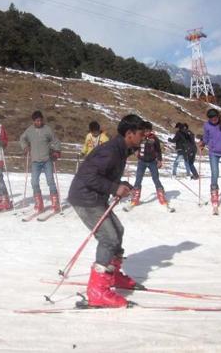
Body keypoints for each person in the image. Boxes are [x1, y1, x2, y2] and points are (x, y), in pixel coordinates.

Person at [68, 114, 149, 308]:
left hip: (95, 196)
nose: (143, 138)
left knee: (117, 231)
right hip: (85, 198)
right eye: (140, 134)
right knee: (109, 238)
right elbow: (88, 176)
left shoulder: (121, 149)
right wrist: (114, 188)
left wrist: (118, 184)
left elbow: (102, 174)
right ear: (129, 134)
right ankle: (97, 291)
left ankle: (112, 276)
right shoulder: (112, 151)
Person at [19, 110, 62, 213]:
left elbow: (56, 141)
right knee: (34, 182)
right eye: (37, 121)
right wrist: (25, 147)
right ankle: (39, 203)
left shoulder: (47, 129)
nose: (39, 122)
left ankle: (55, 202)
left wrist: (56, 152)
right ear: (33, 121)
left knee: (50, 181)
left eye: (40, 120)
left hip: (47, 159)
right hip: (35, 161)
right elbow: (22, 138)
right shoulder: (29, 130)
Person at [130, 122, 167, 206]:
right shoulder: (140, 137)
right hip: (141, 161)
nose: (146, 132)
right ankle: (136, 196)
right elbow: (133, 145)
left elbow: (158, 150)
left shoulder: (154, 138)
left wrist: (159, 160)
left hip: (152, 162)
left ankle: (160, 193)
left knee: (155, 178)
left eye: (148, 130)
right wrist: (134, 151)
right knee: (138, 178)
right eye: (145, 130)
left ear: (151, 130)